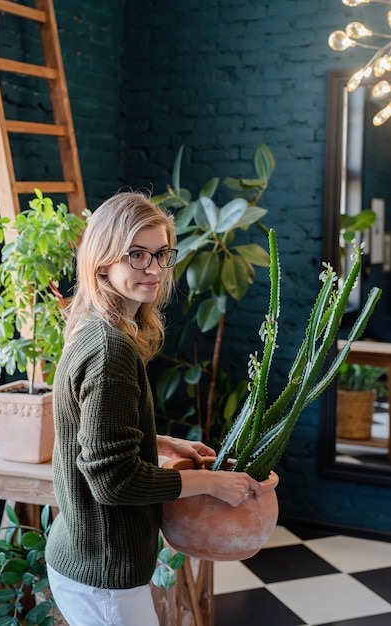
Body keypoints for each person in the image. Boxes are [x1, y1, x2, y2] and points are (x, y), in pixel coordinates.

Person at [45, 191, 262, 626]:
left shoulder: (95, 328)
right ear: (103, 261)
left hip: (84, 552)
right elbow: (113, 481)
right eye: (137, 255)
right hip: (104, 569)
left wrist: (161, 441)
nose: (155, 270)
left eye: (162, 254)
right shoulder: (110, 350)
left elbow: (93, 438)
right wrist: (212, 483)